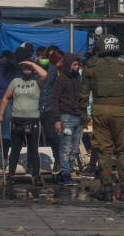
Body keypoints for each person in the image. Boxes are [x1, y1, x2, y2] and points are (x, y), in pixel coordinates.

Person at [79, 34, 124, 202]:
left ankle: (106, 189)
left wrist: (82, 113)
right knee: (123, 151)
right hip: (121, 111)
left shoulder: (91, 66)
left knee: (104, 151)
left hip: (99, 111)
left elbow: (83, 93)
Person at [0, 59, 47, 186]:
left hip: (33, 119)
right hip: (17, 119)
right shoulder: (15, 82)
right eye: (24, 66)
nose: (27, 69)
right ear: (21, 69)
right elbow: (5, 98)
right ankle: (11, 175)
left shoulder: (37, 81)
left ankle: (36, 175)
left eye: (29, 67)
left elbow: (45, 75)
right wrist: (1, 114)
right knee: (15, 149)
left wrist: (32, 64)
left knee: (33, 149)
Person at [53, 54, 82, 186]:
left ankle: (67, 172)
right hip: (66, 117)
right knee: (65, 147)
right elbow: (55, 99)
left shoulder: (77, 78)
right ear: (69, 64)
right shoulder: (62, 79)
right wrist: (57, 120)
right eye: (74, 65)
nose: (76, 67)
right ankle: (65, 174)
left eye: (77, 65)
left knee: (75, 149)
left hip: (78, 117)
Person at [39, 50, 63, 175]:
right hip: (43, 106)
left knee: (51, 136)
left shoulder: (55, 70)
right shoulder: (52, 69)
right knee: (50, 136)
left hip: (48, 107)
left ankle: (58, 161)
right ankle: (57, 161)